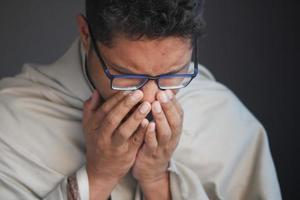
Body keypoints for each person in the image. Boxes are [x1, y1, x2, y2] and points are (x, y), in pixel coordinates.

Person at [0, 0, 282, 199]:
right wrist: (98, 179)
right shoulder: (9, 123)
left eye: (173, 73)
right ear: (86, 35)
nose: (151, 99)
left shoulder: (229, 122)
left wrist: (158, 181)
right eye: (127, 76)